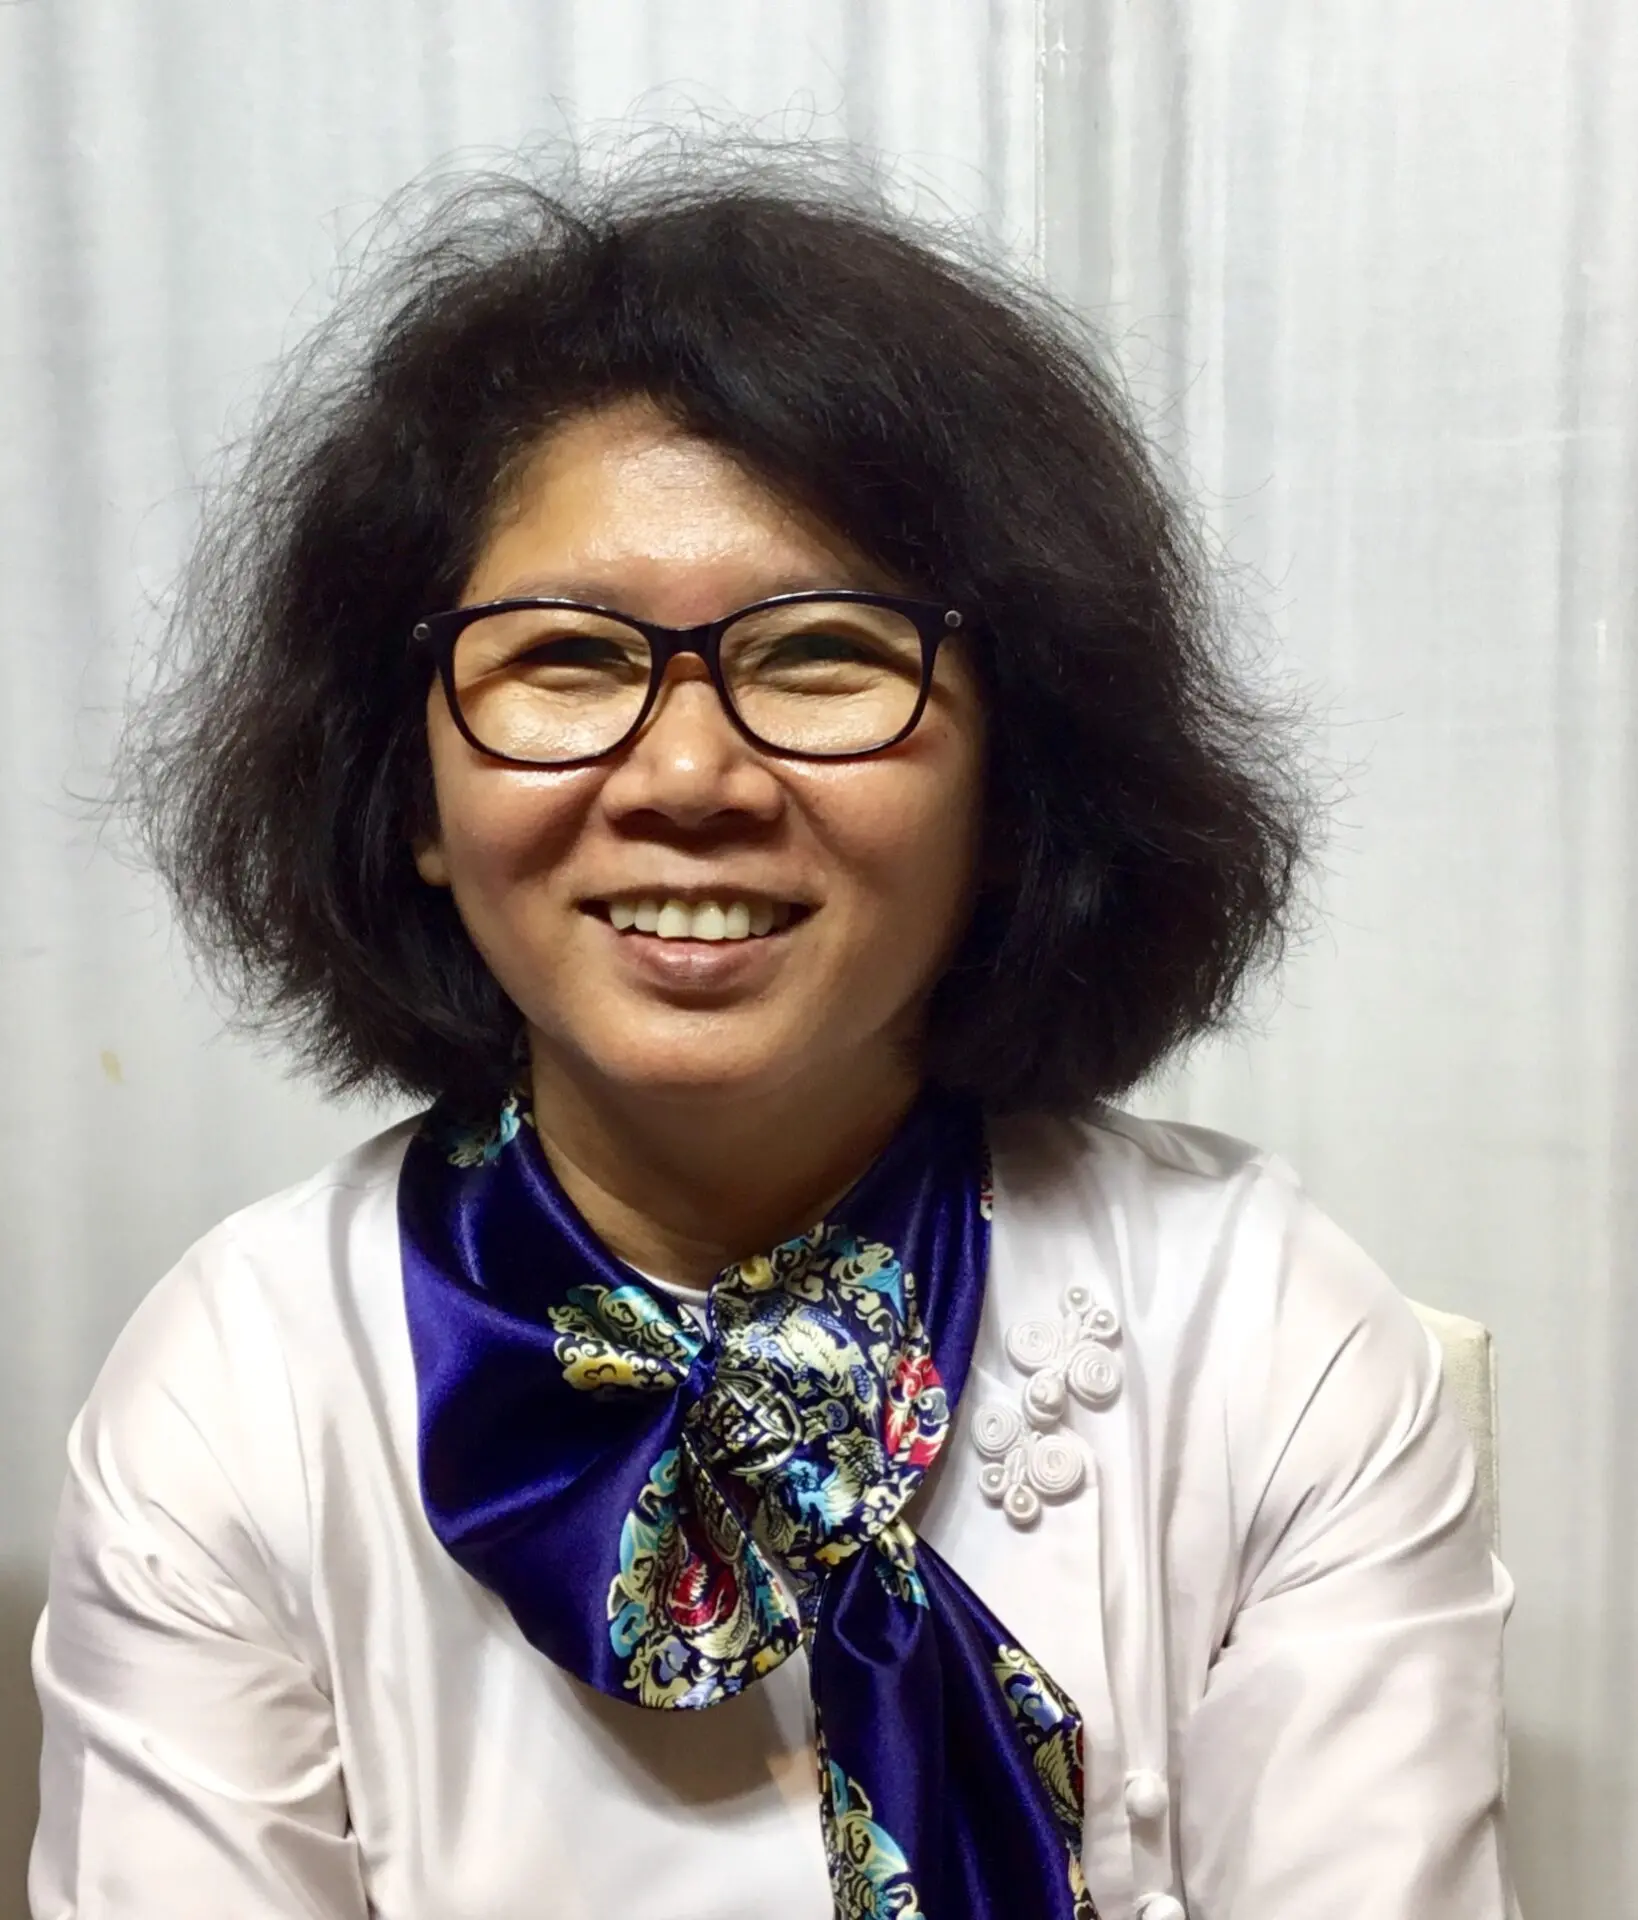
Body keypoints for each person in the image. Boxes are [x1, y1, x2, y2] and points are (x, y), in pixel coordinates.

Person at [30, 153, 1516, 1920]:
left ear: (1011, 773)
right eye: (565, 657)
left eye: (819, 653)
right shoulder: (241, 1390)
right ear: (407, 781)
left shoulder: (1264, 1332)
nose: (685, 779)